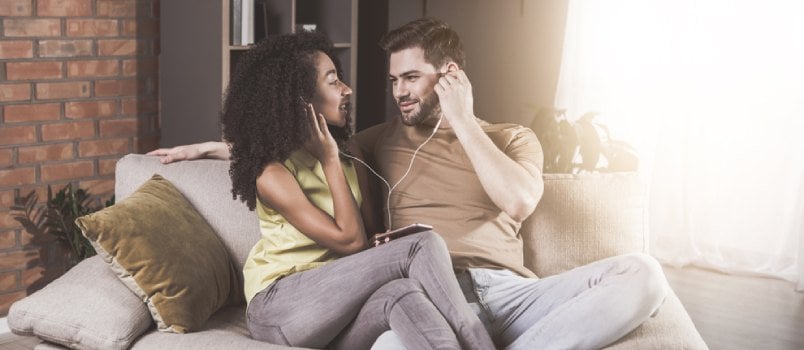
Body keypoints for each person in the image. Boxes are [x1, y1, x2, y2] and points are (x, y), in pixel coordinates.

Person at [150, 18, 668, 350]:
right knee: (392, 343)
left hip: (508, 292)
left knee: (642, 273)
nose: (398, 91)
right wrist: (212, 148)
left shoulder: (511, 137)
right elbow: (283, 146)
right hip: (423, 288)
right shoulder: (373, 143)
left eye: (412, 78)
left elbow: (519, 199)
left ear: (449, 75)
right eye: (393, 79)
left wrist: (464, 122)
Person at [154, 31, 495, 350]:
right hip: (280, 307)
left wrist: (209, 147)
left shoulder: (352, 154)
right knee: (422, 244)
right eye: (333, 81)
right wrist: (329, 158)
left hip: (334, 305)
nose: (347, 89)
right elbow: (350, 242)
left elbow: (368, 239)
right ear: (302, 97)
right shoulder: (271, 171)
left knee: (402, 293)